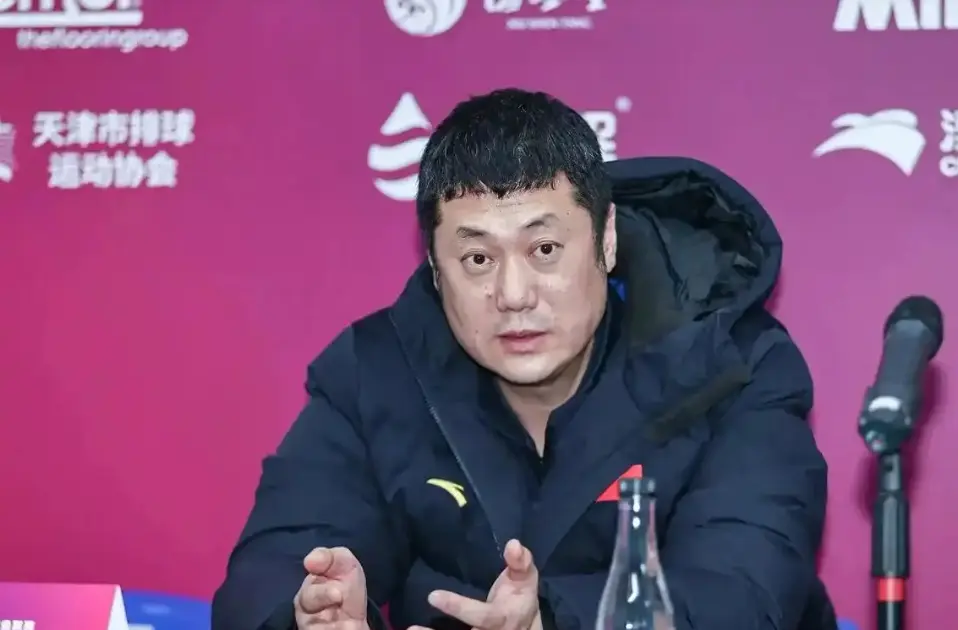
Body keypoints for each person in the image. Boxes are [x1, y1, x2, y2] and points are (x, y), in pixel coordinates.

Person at [212, 88, 837, 630]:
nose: (513, 295)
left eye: (544, 250)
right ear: (435, 266)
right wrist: (308, 613)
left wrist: (552, 621)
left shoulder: (732, 364)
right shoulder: (373, 373)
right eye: (478, 259)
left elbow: (745, 594)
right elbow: (270, 571)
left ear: (606, 238)